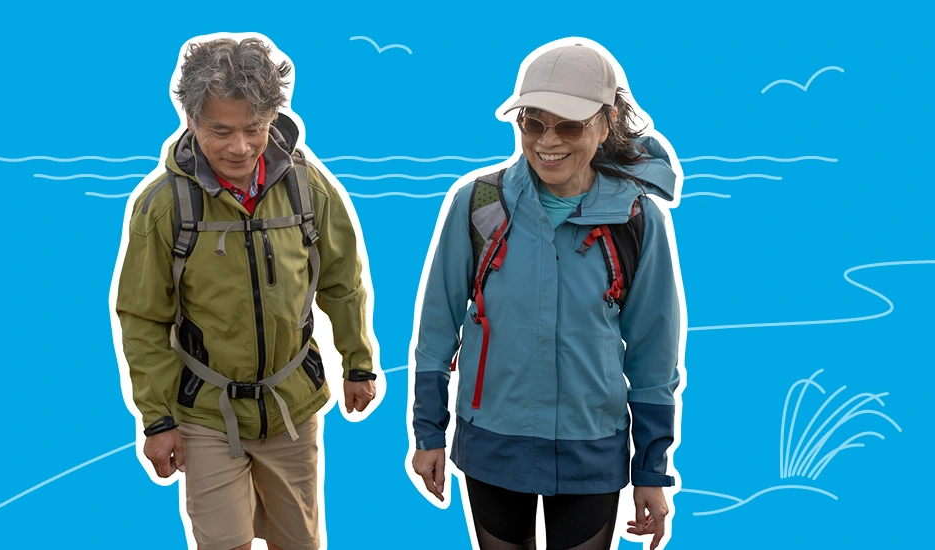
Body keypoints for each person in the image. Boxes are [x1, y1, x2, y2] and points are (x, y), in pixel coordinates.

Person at [406, 41, 684, 550]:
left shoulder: (638, 220)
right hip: (493, 441)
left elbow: (654, 356)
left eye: (569, 125)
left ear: (607, 121)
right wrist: (428, 433)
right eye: (533, 123)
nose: (547, 141)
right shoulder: (478, 203)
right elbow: (436, 329)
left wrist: (651, 468)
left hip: (591, 448)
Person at [114, 34, 381, 550]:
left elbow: (342, 281)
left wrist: (358, 361)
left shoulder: (309, 188)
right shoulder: (164, 207)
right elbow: (143, 319)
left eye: (254, 128)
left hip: (291, 407)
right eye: (220, 130)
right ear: (191, 121)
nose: (239, 146)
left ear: (271, 120)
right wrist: (157, 420)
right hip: (207, 415)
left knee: (300, 544)